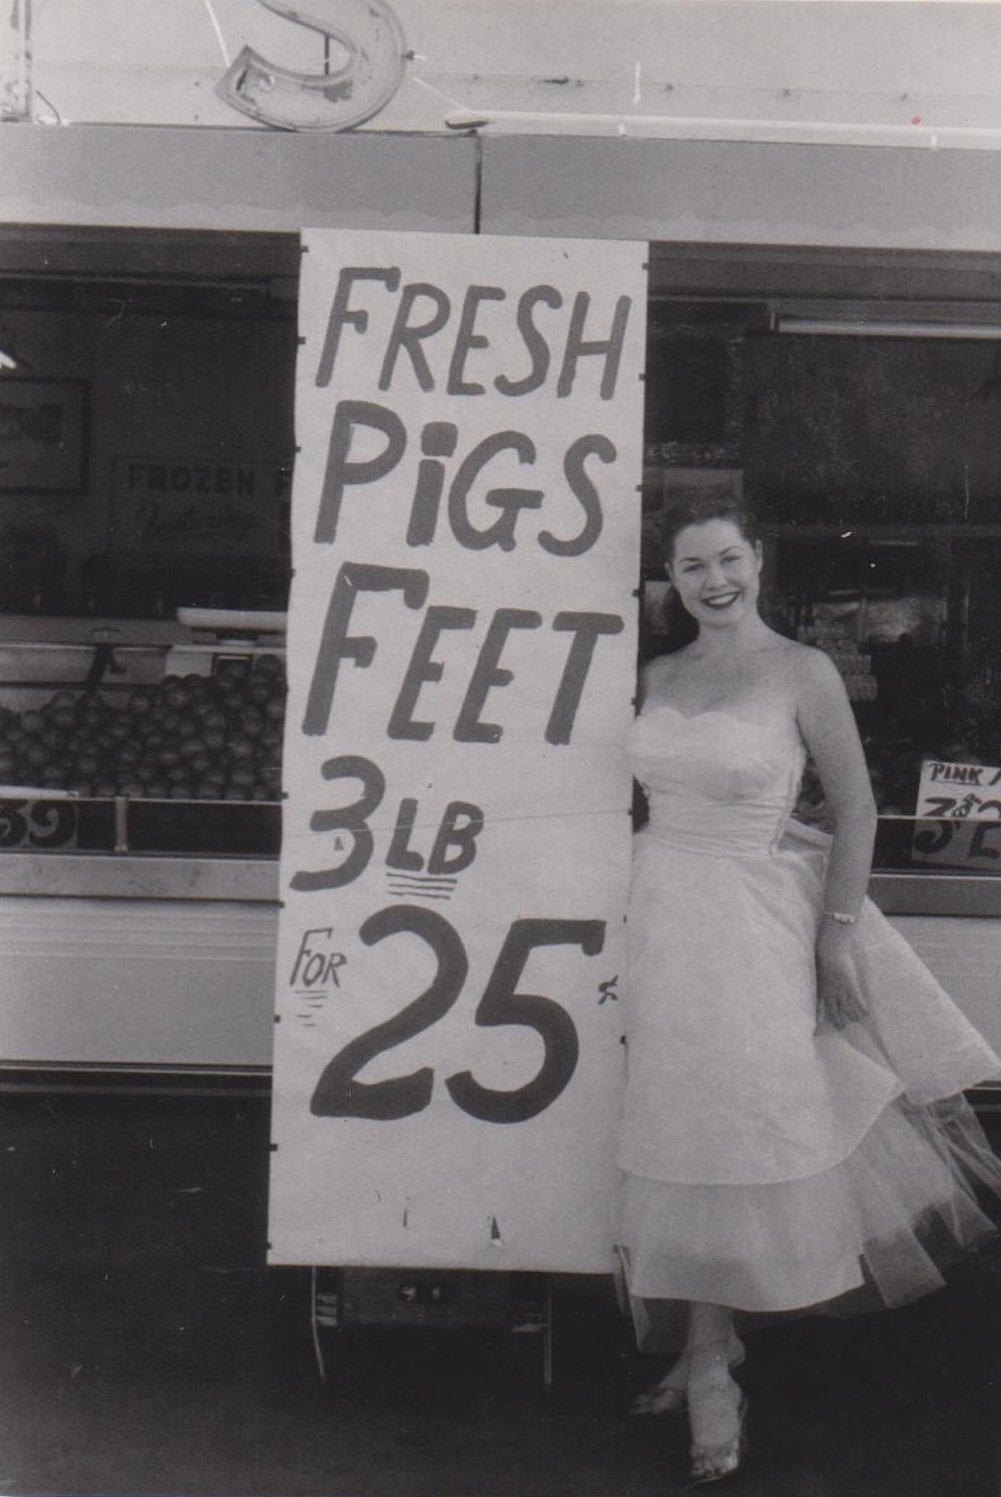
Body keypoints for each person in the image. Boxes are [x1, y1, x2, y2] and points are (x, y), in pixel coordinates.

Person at [616, 493, 1001, 1485]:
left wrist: (834, 934)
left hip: (753, 922)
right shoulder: (655, 673)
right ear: (671, 578)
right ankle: (711, 1343)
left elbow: (858, 803)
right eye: (692, 567)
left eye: (728, 559)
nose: (714, 582)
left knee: (741, 1118)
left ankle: (707, 1362)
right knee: (672, 1115)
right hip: (656, 914)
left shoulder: (802, 670)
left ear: (756, 561)